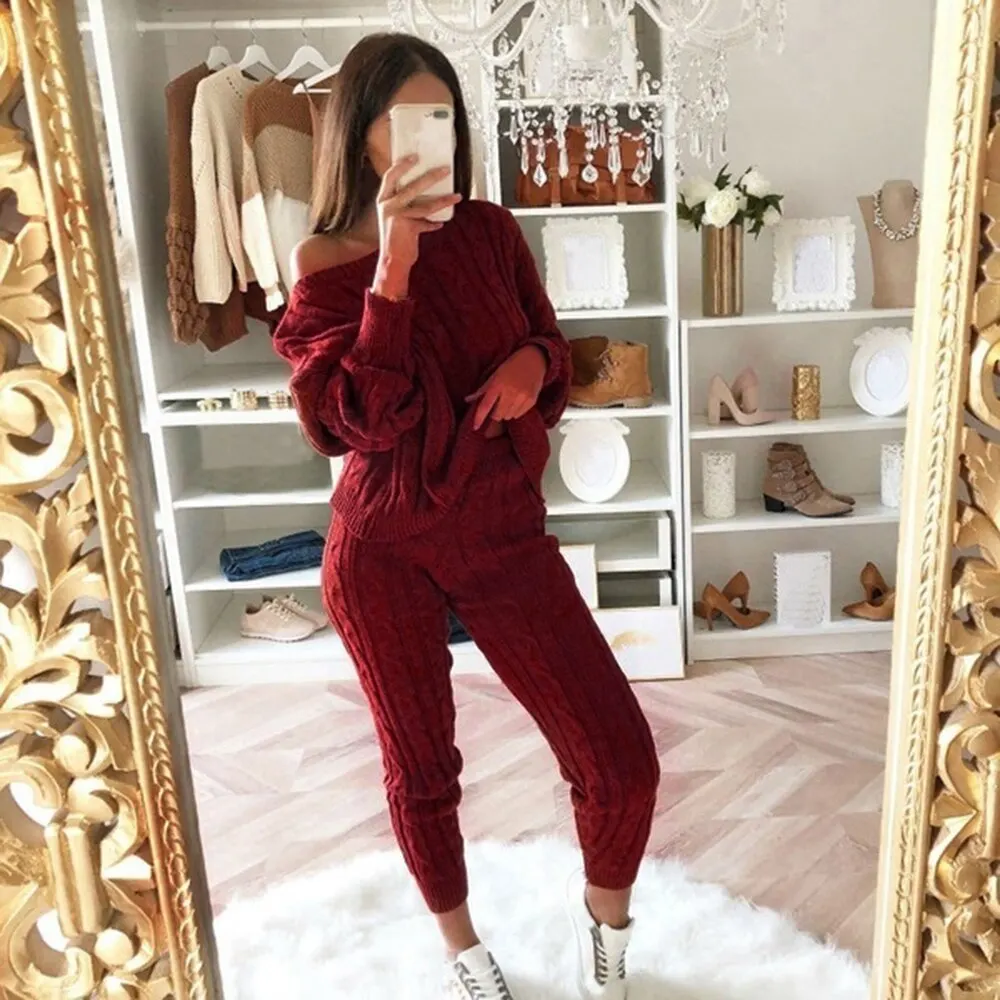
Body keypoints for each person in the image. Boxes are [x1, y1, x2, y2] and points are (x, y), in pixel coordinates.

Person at [273, 32, 660, 1000]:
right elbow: (355, 420)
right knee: (422, 769)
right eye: (405, 118)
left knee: (619, 759)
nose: (427, 136)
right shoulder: (322, 259)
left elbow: (547, 341)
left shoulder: (490, 231)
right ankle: (464, 952)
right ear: (360, 134)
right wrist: (392, 269)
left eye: (441, 116)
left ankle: (606, 940)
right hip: (381, 549)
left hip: (499, 532)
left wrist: (533, 362)